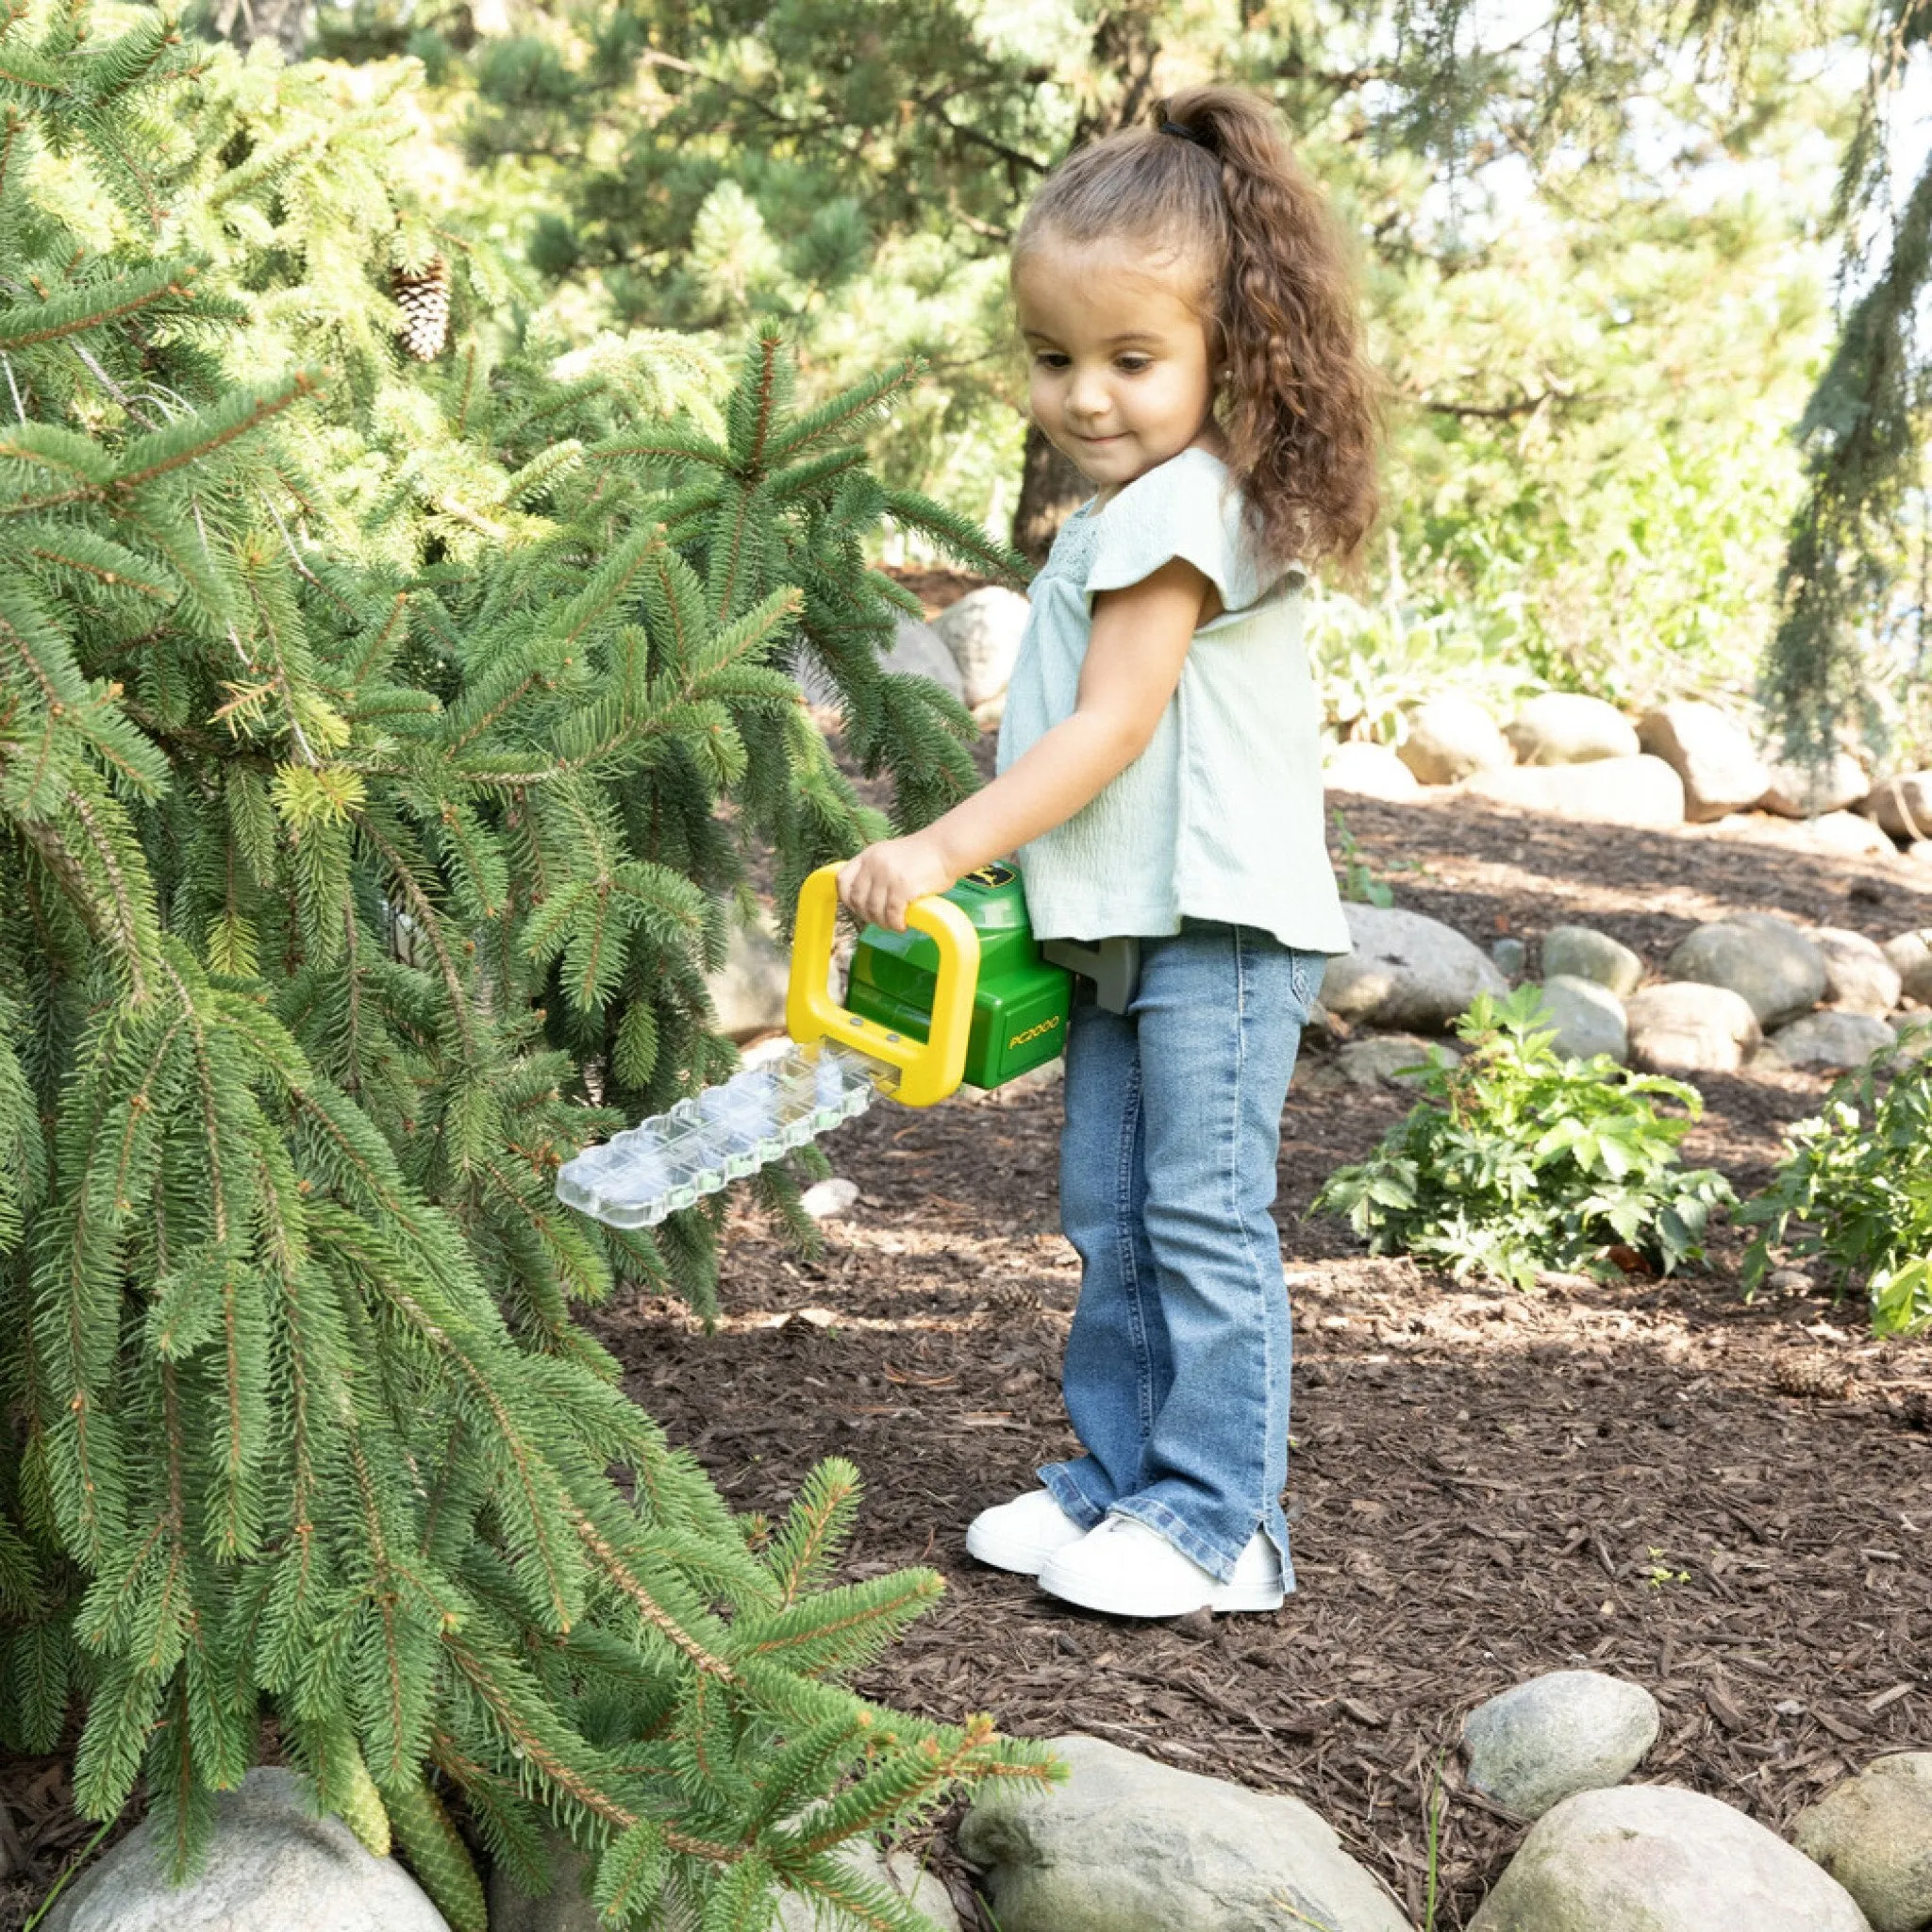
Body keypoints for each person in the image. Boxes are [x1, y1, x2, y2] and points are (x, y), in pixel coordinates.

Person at [837, 86, 1380, 1617]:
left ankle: (1223, 1520)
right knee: (1110, 1210)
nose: (1087, 395)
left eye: (1133, 359)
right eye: (1056, 357)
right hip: (1133, 925)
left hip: (1214, 930)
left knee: (1199, 1217)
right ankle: (1121, 1481)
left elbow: (1112, 728)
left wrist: (947, 845)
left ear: (1233, 344)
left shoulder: (1187, 510)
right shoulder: (1133, 506)